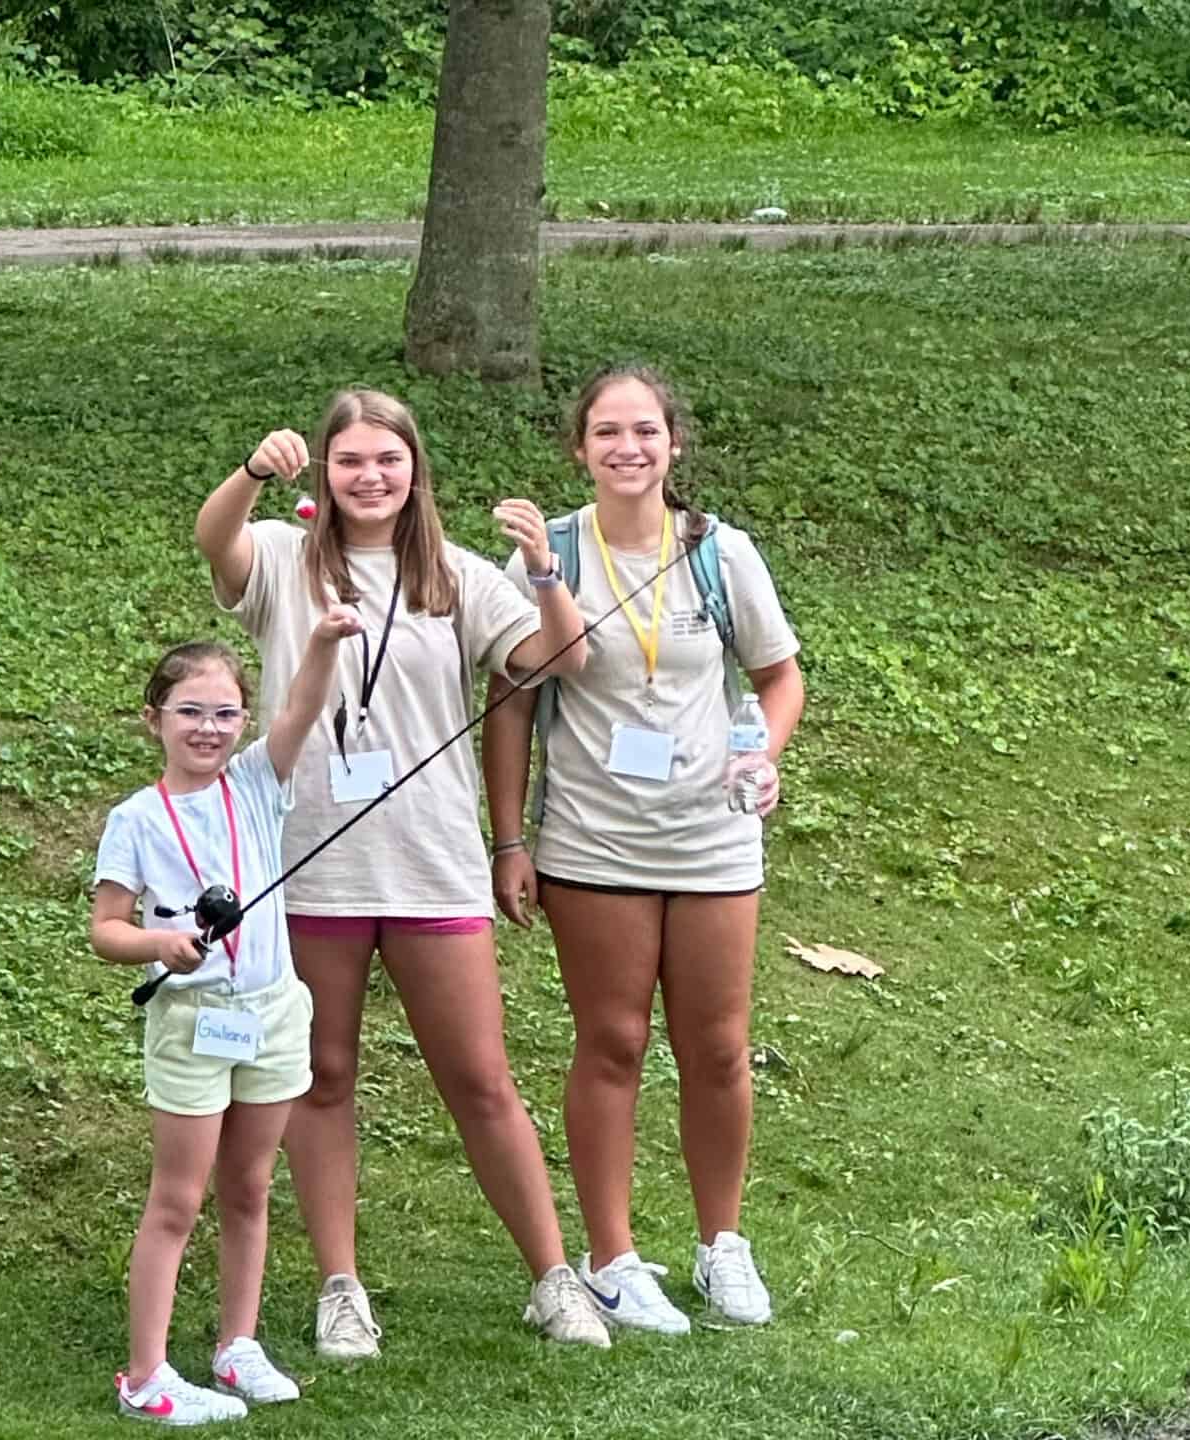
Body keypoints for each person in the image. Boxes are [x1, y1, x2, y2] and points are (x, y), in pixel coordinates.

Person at [196, 388, 610, 1356]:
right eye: (349, 461)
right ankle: (340, 1287)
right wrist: (252, 472)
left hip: (431, 864)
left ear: (415, 468)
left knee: (481, 1080)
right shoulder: (285, 559)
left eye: (388, 459)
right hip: (311, 866)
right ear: (325, 471)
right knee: (323, 1077)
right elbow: (214, 540)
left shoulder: (456, 574)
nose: (370, 477)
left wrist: (546, 572)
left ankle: (554, 1278)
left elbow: (563, 656)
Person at [481, 366, 804, 1334]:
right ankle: (612, 1257)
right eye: (608, 433)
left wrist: (762, 755)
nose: (628, 448)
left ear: (674, 442)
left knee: (719, 1047)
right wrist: (509, 839)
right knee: (613, 1041)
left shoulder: (718, 552)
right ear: (579, 448)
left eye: (645, 431)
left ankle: (721, 1244)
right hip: (592, 839)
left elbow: (779, 677)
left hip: (712, 838)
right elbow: (510, 705)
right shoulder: (547, 555)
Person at [91, 622, 346, 1424]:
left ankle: (238, 1345)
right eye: (190, 712)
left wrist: (326, 641)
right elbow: (106, 929)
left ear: (244, 721)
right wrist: (159, 945)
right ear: (154, 719)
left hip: (272, 1013)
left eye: (226, 714)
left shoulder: (257, 782)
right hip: (192, 1021)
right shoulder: (136, 818)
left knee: (250, 1186)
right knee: (177, 1198)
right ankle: (145, 1376)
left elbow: (303, 707)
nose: (208, 728)